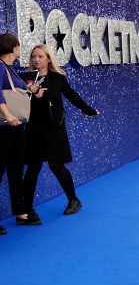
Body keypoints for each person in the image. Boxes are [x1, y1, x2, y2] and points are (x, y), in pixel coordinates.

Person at [23, 44, 99, 220]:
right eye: (34, 56)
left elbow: (72, 96)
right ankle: (26, 209)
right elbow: (20, 102)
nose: (36, 59)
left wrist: (88, 110)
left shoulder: (58, 78)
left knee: (56, 165)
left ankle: (73, 200)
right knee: (33, 167)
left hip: (54, 129)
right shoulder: (26, 79)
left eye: (40, 56)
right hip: (33, 130)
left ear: (49, 59)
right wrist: (31, 94)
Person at [0, 33, 34, 234]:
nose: (20, 49)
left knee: (16, 170)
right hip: (4, 128)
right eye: (19, 46)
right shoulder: (0, 66)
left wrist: (31, 88)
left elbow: (18, 91)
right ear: (13, 47)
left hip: (17, 126)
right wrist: (8, 115)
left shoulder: (10, 69)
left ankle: (20, 212)